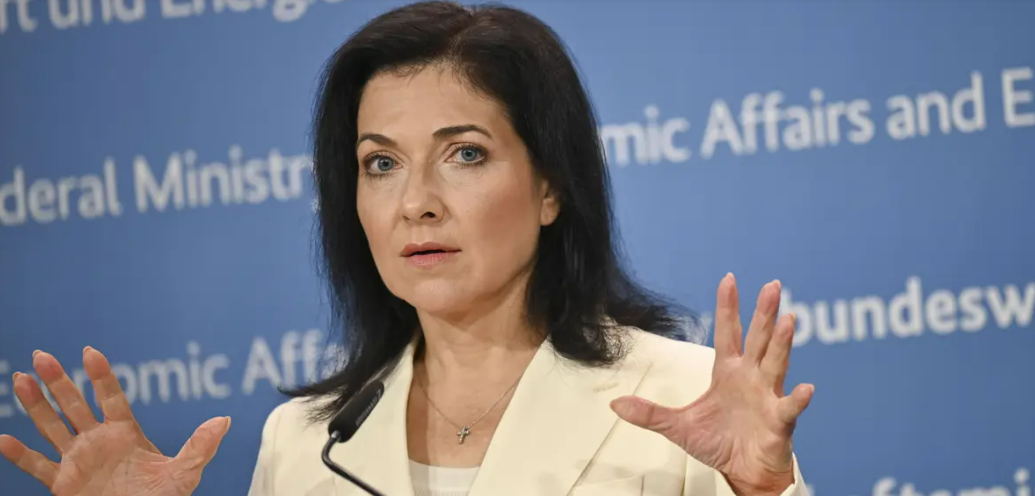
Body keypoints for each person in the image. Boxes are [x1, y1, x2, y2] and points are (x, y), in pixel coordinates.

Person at [0, 1, 815, 495]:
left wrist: (765, 491)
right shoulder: (306, 442)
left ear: (549, 188)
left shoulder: (679, 398)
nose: (416, 202)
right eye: (380, 164)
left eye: (464, 154)